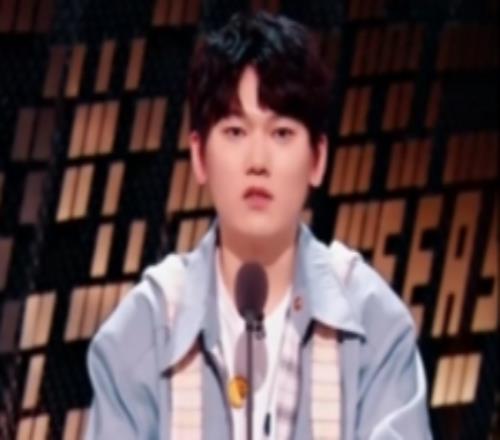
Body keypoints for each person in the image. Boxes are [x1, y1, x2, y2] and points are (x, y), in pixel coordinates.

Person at [85, 11, 432, 440]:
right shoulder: (143, 330)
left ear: (318, 159)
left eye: (281, 133)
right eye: (235, 131)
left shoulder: (373, 323)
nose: (258, 161)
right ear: (199, 155)